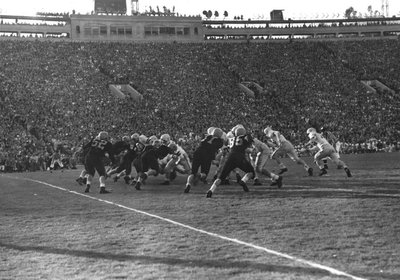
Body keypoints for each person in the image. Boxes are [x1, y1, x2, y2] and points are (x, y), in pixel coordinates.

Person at [206, 126, 256, 198]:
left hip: (229, 157)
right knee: (251, 172)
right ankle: (243, 181)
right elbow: (250, 144)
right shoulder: (246, 137)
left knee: (220, 177)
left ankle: (211, 190)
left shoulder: (231, 139)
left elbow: (228, 146)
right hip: (239, 157)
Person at [184, 127, 224, 193]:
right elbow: (213, 149)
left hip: (197, 153)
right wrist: (213, 159)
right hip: (206, 155)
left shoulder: (206, 137)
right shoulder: (219, 141)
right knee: (204, 173)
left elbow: (202, 144)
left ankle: (188, 184)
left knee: (192, 173)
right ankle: (199, 175)